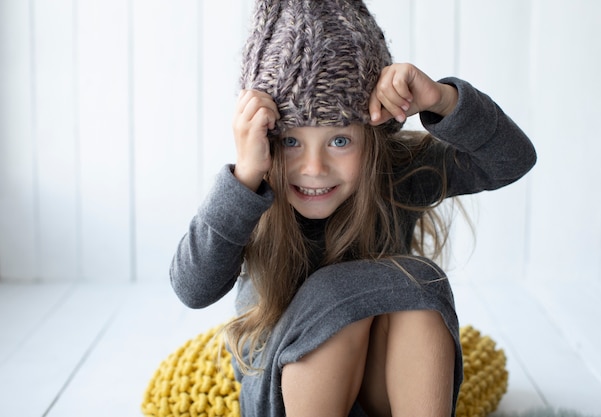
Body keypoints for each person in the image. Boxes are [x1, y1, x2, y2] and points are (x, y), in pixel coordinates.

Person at [170, 1, 536, 416]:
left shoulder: (394, 172)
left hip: (381, 389)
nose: (313, 169)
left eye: (339, 140)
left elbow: (512, 160)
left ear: (372, 134)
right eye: (291, 141)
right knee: (353, 292)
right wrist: (245, 178)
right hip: (284, 391)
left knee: (415, 296)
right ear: (265, 141)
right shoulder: (254, 193)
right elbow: (192, 288)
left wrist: (443, 99)